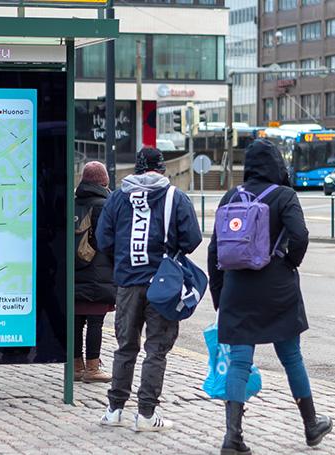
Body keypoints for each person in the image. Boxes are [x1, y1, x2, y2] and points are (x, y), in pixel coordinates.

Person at [208, 139, 333, 454]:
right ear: (277, 163)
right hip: (277, 287)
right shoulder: (284, 195)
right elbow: (301, 236)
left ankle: (232, 438)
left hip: (237, 288)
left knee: (239, 361)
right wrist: (290, 262)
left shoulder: (230, 196)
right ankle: (311, 425)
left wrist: (220, 295)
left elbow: (215, 250)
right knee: (292, 357)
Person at [95, 147, 202, 432]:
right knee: (156, 349)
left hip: (127, 284)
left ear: (137, 169)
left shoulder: (118, 197)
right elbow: (192, 238)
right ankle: (145, 414)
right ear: (162, 169)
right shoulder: (174, 197)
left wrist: (122, 261)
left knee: (125, 347)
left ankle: (114, 409)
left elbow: (102, 240)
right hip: (162, 286)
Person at [74, 161, 116, 383]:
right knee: (95, 321)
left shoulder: (72, 204)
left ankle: (76, 366)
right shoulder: (104, 205)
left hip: (74, 274)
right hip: (97, 273)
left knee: (76, 320)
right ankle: (92, 368)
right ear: (103, 181)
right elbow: (109, 242)